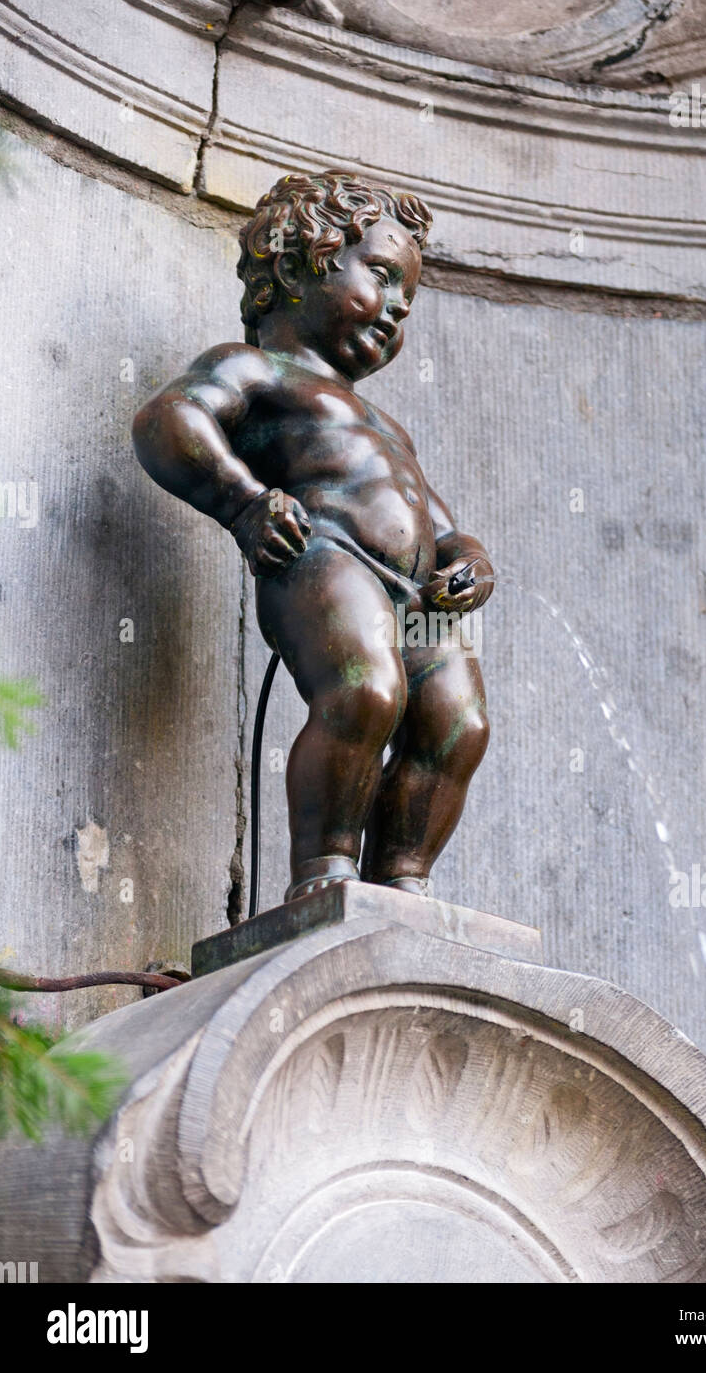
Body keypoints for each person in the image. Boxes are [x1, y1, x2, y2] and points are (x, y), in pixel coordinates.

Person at [133, 171, 494, 903]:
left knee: (459, 721)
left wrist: (471, 563)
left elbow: (444, 524)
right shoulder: (254, 369)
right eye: (383, 277)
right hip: (323, 554)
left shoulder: (389, 427)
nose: (395, 310)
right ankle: (324, 872)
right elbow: (169, 419)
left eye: (407, 298)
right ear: (297, 266)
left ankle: (401, 880)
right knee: (366, 692)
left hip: (417, 589)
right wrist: (243, 504)